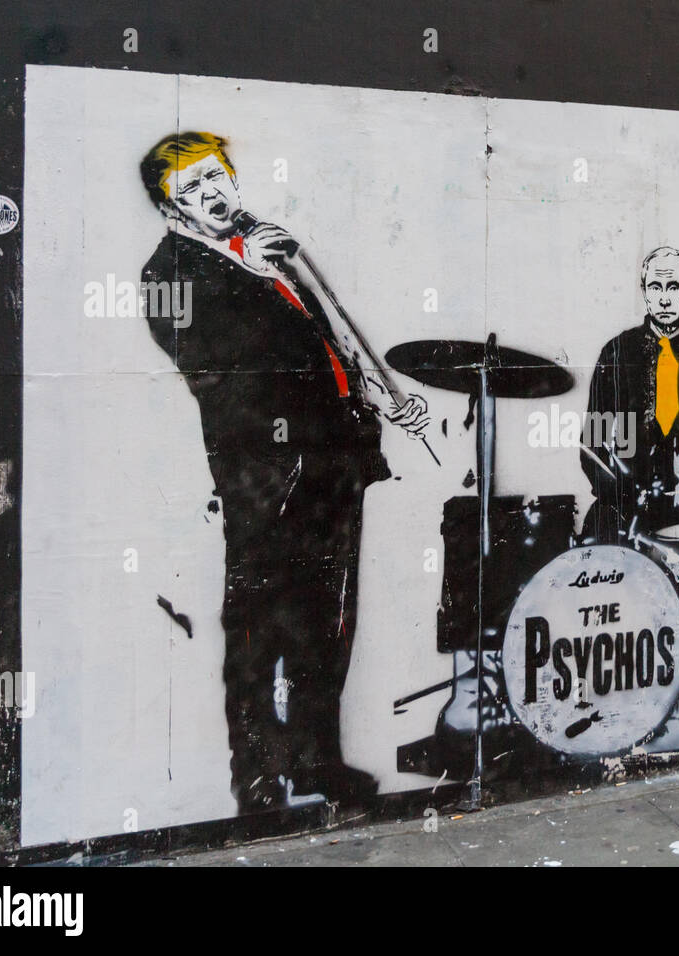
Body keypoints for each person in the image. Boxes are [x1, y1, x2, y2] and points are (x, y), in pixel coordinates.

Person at [138, 132, 427, 813]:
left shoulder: (267, 248)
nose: (211, 194)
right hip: (263, 475)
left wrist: (380, 398)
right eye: (191, 190)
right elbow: (211, 368)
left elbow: (325, 340)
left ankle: (315, 759)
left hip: (334, 461)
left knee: (327, 620)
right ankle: (258, 776)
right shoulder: (168, 273)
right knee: (257, 624)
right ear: (171, 212)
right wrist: (262, 277)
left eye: (216, 177)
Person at [580, 246, 679, 541]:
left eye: (674, 286)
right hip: (626, 511)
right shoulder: (616, 353)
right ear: (644, 291)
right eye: (655, 287)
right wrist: (623, 497)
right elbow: (593, 444)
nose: (664, 298)